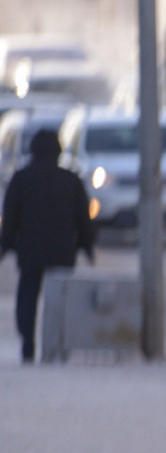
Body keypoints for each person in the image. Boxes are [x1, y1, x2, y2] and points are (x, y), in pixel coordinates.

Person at [0, 129, 94, 363]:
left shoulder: (21, 179)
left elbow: (10, 218)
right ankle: (57, 347)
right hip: (62, 252)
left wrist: (6, 245)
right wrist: (86, 245)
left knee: (28, 299)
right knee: (59, 300)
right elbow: (83, 218)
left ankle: (28, 344)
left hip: (30, 252)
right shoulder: (71, 180)